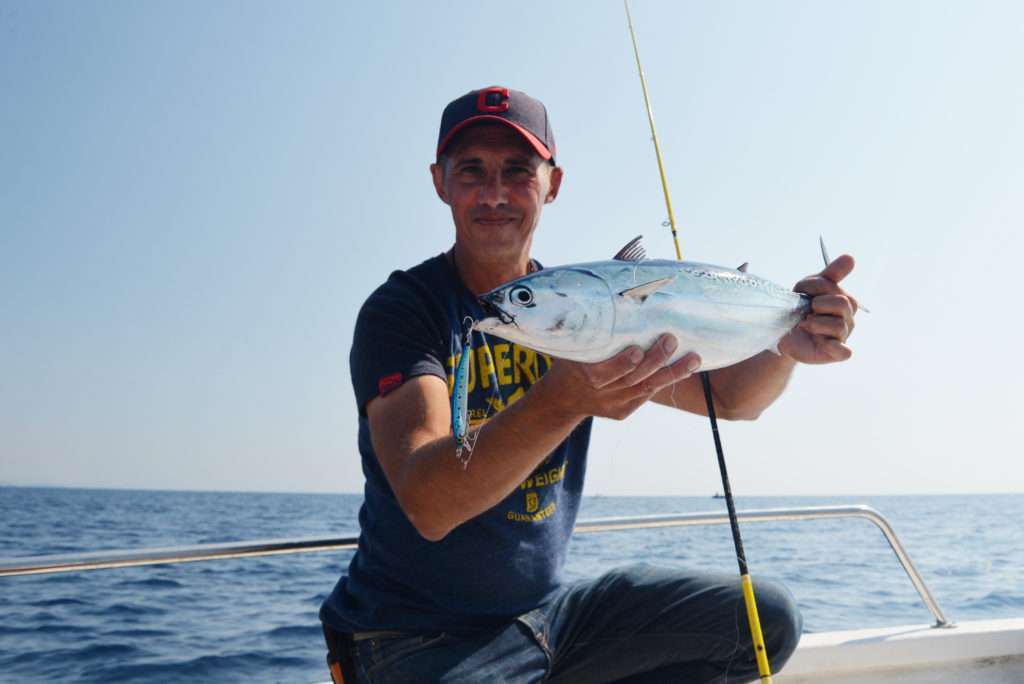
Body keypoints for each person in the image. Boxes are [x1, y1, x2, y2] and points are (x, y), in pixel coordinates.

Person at [320, 86, 858, 683]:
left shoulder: (585, 306)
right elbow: (428, 503)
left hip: (547, 619)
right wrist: (564, 399)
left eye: (519, 171)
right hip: (414, 636)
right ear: (439, 182)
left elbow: (730, 398)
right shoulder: (405, 312)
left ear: (553, 183)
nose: (495, 193)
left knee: (766, 618)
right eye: (471, 170)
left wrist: (785, 341)